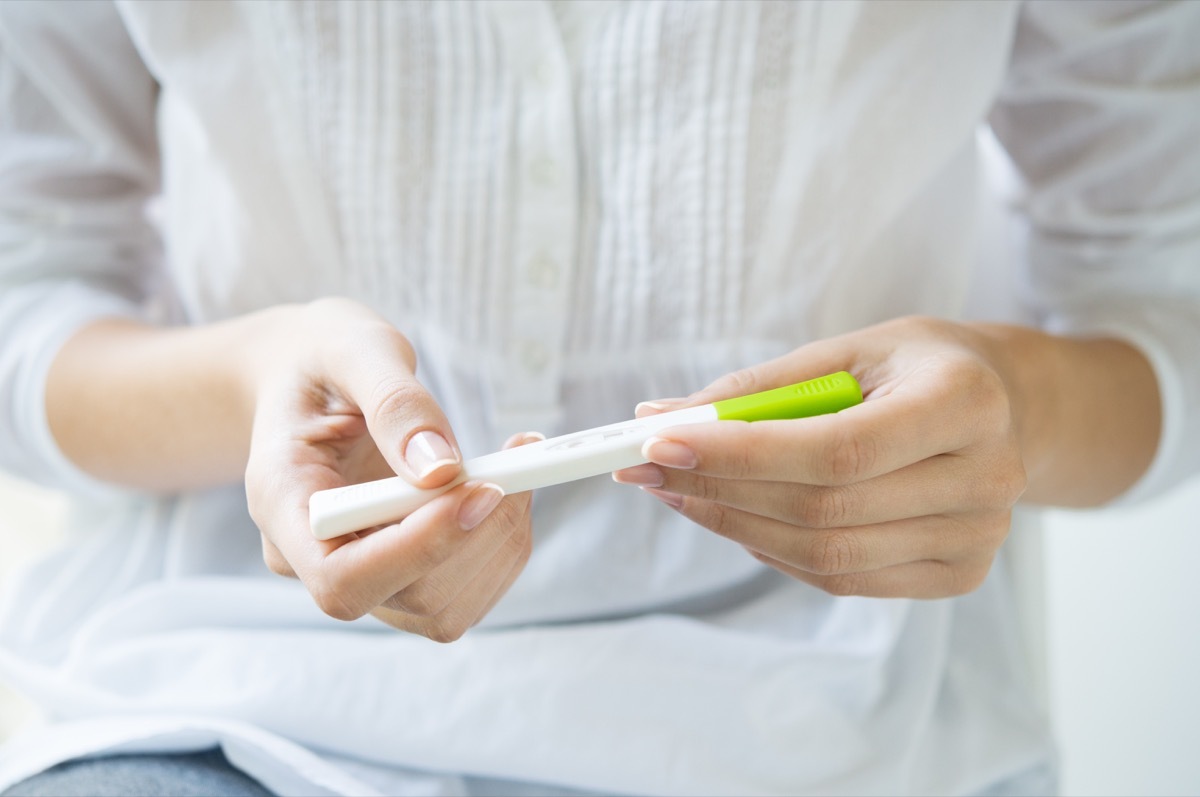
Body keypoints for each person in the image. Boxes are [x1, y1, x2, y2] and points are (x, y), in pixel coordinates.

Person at [0, 1, 1197, 795]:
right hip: (230, 697)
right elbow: (28, 283)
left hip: (849, 723)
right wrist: (257, 388)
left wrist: (1020, 409)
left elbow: (1163, 290)